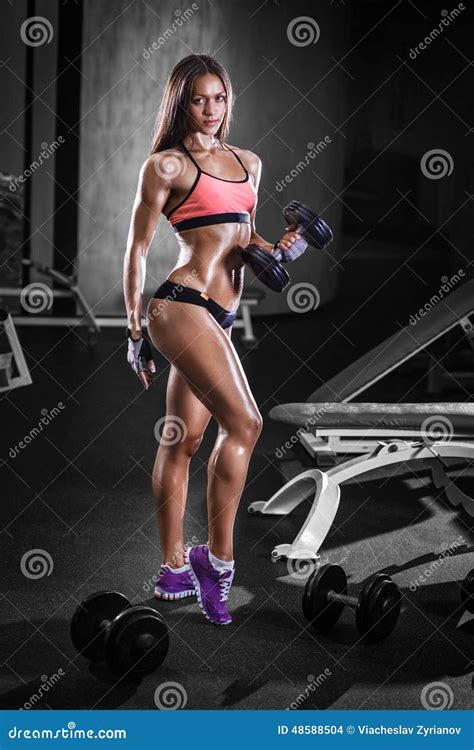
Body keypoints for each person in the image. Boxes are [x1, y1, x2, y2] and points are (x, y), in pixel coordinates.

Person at [123, 54, 301, 626]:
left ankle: (173, 567)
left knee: (183, 439)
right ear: (182, 103)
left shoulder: (249, 163)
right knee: (246, 423)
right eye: (199, 99)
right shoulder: (167, 166)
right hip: (178, 306)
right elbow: (138, 248)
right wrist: (133, 328)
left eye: (219, 98)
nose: (211, 110)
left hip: (218, 316)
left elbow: (247, 242)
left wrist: (286, 249)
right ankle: (215, 562)